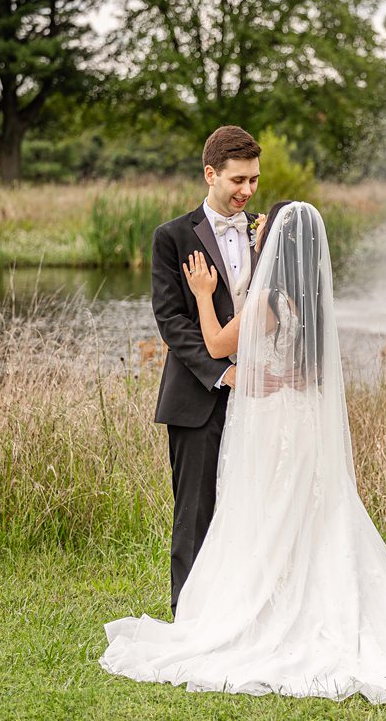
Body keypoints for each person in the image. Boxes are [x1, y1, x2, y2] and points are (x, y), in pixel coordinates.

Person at [101, 202, 386, 703]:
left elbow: (217, 344)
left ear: (277, 245)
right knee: (305, 518)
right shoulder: (312, 304)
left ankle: (259, 614)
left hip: (273, 422)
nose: (256, 230)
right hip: (302, 421)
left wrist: (203, 294)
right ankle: (305, 604)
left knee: (266, 516)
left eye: (266, 231)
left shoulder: (270, 300)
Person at [149, 125, 266, 616]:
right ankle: (190, 619)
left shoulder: (269, 231)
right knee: (194, 514)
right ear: (210, 173)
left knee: (256, 510)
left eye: (255, 180)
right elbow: (171, 320)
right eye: (238, 179)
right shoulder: (172, 237)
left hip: (263, 397)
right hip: (197, 398)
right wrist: (222, 373)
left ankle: (246, 613)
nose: (247, 191)